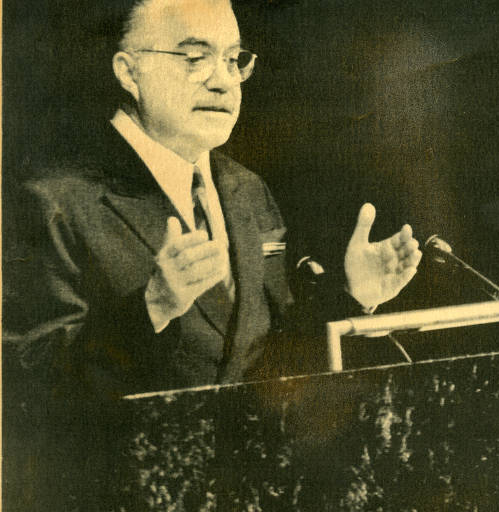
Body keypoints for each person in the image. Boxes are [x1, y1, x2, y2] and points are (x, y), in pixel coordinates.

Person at [2, 0, 421, 507]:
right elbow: (24, 388)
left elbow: (265, 353)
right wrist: (151, 309)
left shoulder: (246, 190)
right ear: (128, 71)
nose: (224, 82)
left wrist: (350, 298)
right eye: (195, 58)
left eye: (233, 59)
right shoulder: (50, 203)